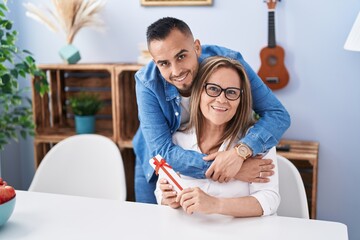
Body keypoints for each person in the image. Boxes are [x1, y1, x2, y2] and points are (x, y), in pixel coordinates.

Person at [133, 17, 290, 203]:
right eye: (164, 63)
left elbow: (277, 115)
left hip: (212, 148)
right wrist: (232, 170)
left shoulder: (227, 64)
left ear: (197, 48)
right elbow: (163, 151)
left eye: (181, 56)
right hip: (160, 166)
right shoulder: (147, 82)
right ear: (155, 62)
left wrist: (240, 152)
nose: (176, 71)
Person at [156, 56, 279, 217]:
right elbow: (160, 192)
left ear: (241, 100)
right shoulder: (176, 141)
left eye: (231, 92)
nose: (221, 99)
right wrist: (168, 199)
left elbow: (269, 200)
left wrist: (215, 204)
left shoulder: (257, 141)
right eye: (213, 89)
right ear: (199, 91)